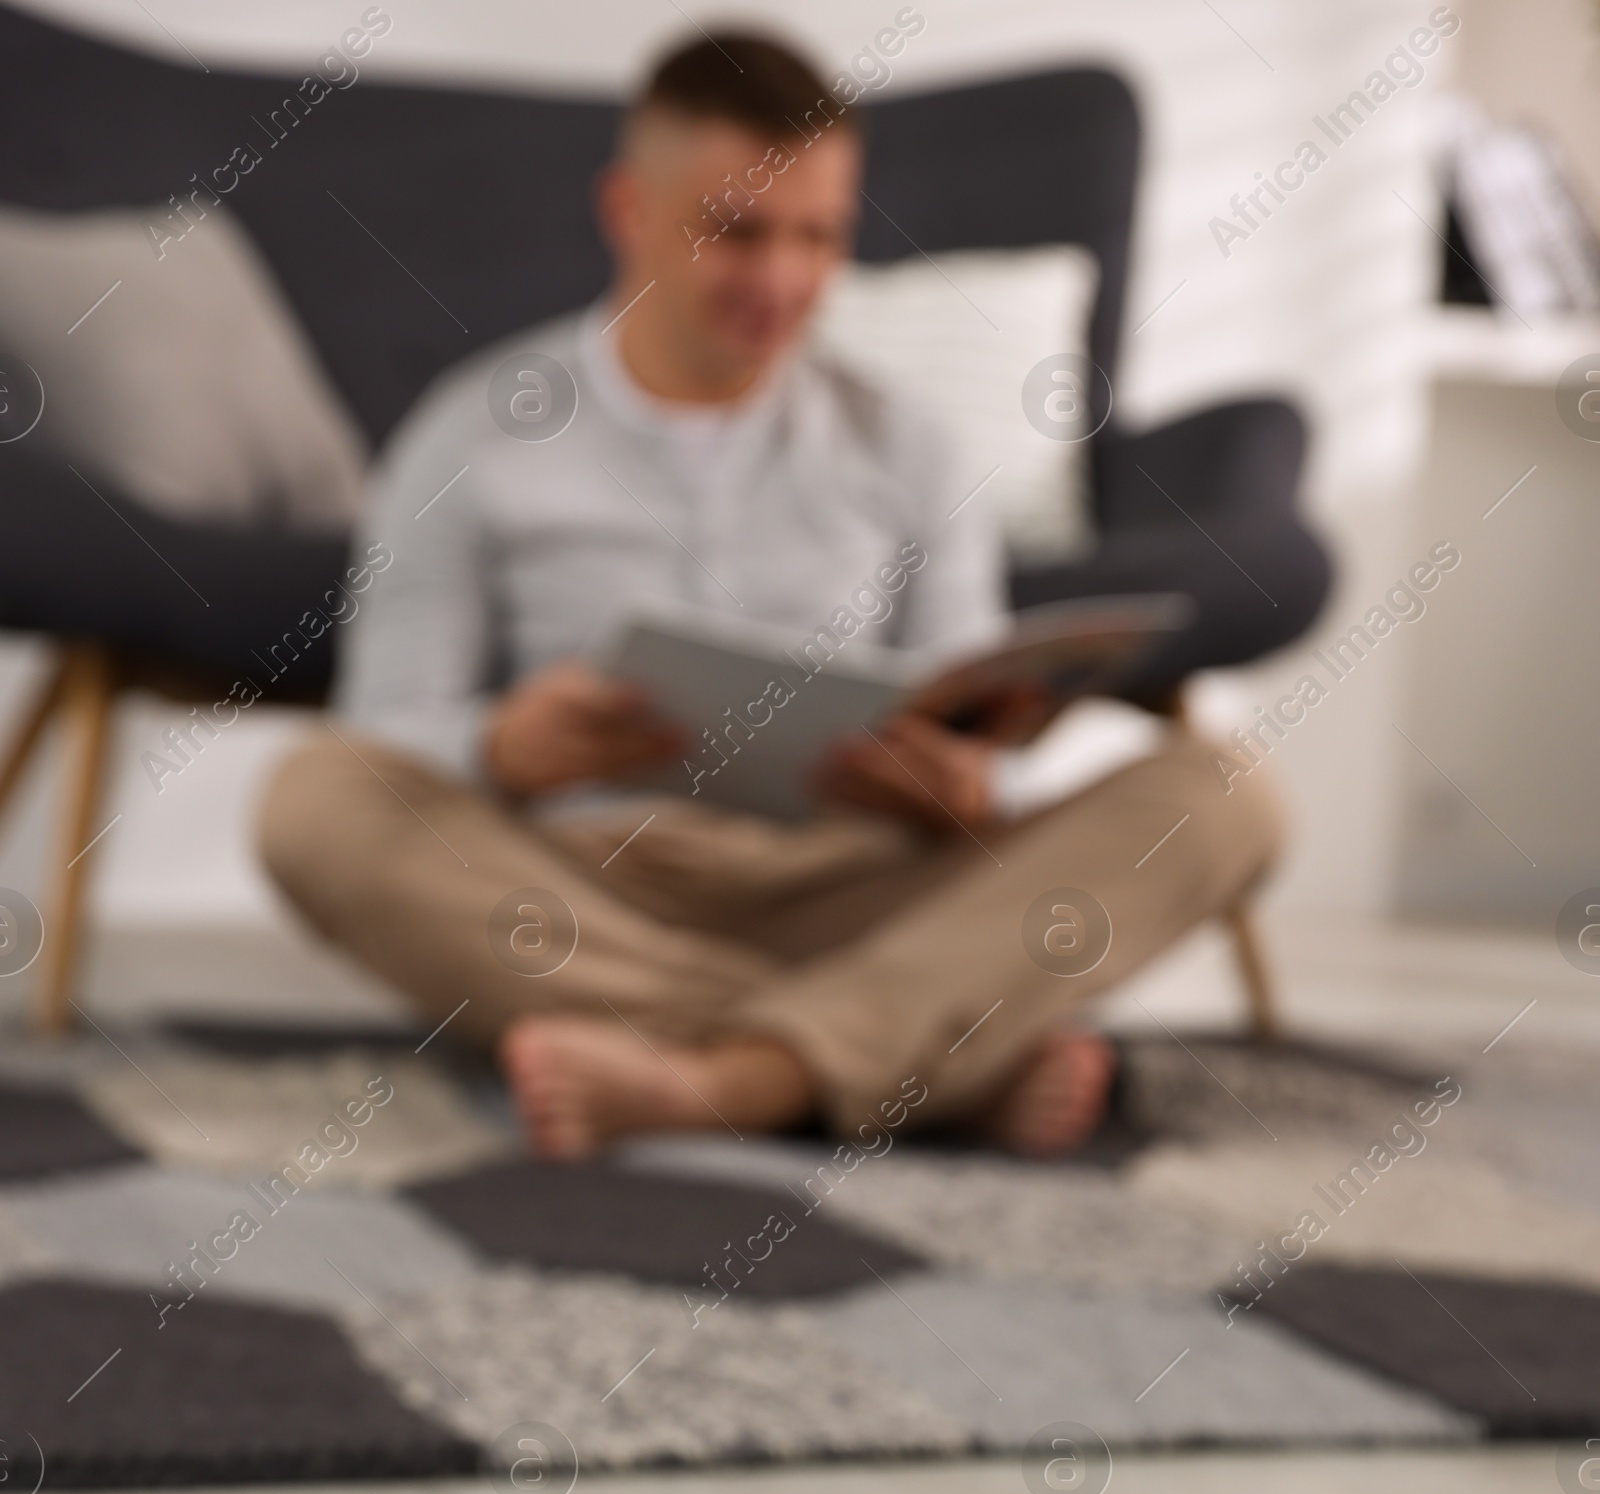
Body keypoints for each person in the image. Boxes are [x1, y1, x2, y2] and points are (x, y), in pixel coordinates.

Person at [260, 29, 1281, 1160]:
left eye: (819, 237)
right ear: (627, 210)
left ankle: (725, 1080)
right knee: (313, 800)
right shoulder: (470, 431)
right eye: (737, 232)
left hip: (856, 884)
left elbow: (967, 718)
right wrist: (500, 748)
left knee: (1225, 796)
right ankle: (922, 1058)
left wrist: (951, 783)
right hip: (582, 890)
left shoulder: (911, 443)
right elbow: (384, 729)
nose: (784, 281)